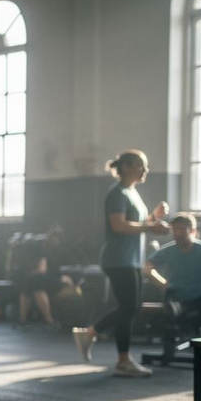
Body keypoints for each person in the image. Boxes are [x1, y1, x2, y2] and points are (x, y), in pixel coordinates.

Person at [73, 150, 170, 377]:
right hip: (117, 259)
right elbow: (119, 226)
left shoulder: (131, 192)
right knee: (128, 308)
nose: (145, 170)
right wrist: (151, 226)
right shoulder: (116, 193)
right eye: (140, 166)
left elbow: (136, 225)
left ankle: (90, 334)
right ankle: (121, 359)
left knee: (132, 308)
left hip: (132, 259)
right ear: (126, 167)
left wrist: (153, 218)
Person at [144, 212, 201, 329]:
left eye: (182, 229)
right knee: (173, 306)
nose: (178, 233)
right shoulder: (167, 251)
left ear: (192, 231)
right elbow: (148, 266)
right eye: (175, 230)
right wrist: (162, 283)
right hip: (177, 297)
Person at [14, 228, 73, 331]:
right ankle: (23, 320)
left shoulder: (61, 251)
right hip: (43, 279)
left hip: (57, 279)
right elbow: (41, 268)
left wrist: (63, 278)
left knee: (36, 281)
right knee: (31, 283)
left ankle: (49, 321)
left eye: (55, 237)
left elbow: (45, 270)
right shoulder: (42, 249)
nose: (53, 239)